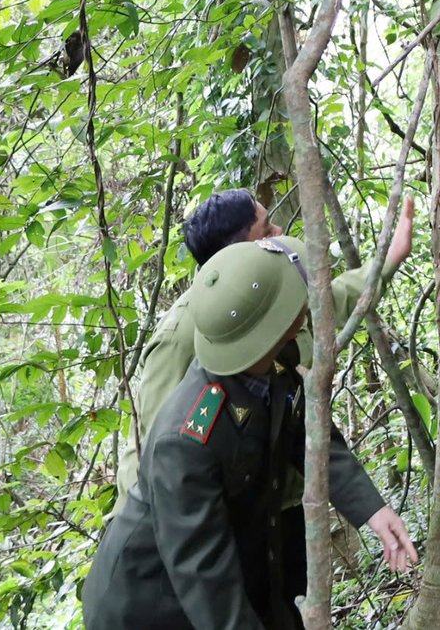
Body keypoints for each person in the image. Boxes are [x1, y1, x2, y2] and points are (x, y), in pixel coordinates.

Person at [82, 242, 416, 628]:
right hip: (151, 607)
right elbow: (206, 579)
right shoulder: (187, 439)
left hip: (242, 568)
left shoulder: (271, 365)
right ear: (265, 330)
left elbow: (307, 436)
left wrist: (372, 510)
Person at [114, 190, 414, 509]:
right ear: (236, 254)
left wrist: (391, 256)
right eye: (267, 230)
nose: (279, 234)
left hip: (278, 500)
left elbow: (332, 300)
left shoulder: (271, 294)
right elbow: (157, 449)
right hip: (210, 518)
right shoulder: (183, 334)